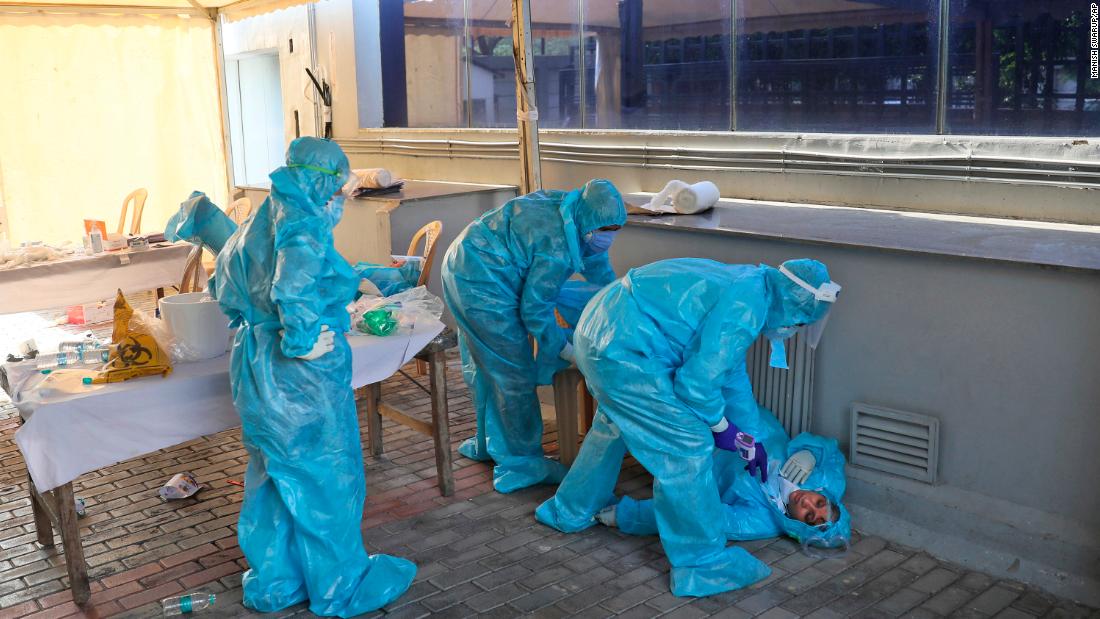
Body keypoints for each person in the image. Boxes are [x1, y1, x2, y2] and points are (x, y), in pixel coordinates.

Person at [535, 257, 841, 597]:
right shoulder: (748, 307)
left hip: (608, 330)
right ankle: (702, 563)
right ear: (793, 305)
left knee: (616, 422)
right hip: (624, 346)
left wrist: (749, 435)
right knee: (687, 450)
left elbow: (730, 373)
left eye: (810, 516)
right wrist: (721, 426)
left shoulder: (753, 285)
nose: (794, 330)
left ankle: (571, 508)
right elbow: (697, 384)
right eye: (798, 323)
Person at [205, 138, 415, 616]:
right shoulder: (303, 223)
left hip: (255, 367)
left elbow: (228, 286)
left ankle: (277, 581)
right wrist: (302, 339)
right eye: (338, 190)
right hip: (299, 377)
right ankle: (341, 585)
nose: (339, 199)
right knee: (327, 480)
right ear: (323, 185)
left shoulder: (264, 215)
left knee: (273, 477)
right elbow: (293, 284)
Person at [441, 179, 626, 494]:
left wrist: (621, 301)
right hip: (480, 280)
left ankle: (489, 443)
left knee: (486, 366)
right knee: (511, 372)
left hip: (465, 262)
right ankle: (520, 463)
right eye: (605, 230)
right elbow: (536, 309)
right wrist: (566, 349)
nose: (608, 237)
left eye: (614, 230)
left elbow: (600, 272)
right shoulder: (556, 242)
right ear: (591, 223)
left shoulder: (576, 215)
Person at [599, 430, 851, 558]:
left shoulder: (758, 522)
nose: (807, 503)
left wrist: (627, 515)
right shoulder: (827, 480)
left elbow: (699, 515)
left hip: (705, 455)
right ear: (825, 495)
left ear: (799, 528)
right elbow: (831, 451)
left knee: (640, 422)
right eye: (819, 503)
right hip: (748, 425)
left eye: (809, 516)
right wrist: (810, 453)